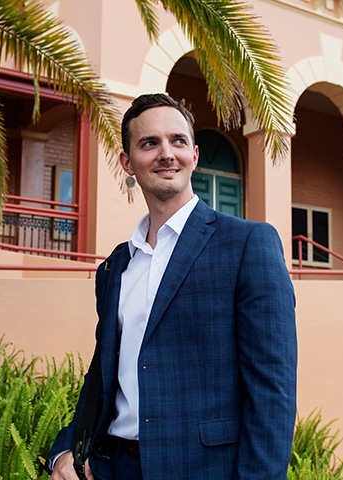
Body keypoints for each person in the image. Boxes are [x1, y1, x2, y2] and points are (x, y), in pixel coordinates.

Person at [47, 93, 297, 480]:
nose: (167, 153)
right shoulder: (115, 266)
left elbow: (272, 392)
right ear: (127, 163)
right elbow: (103, 373)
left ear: (194, 155)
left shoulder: (248, 244)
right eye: (150, 143)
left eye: (177, 141)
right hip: (113, 467)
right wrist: (67, 448)